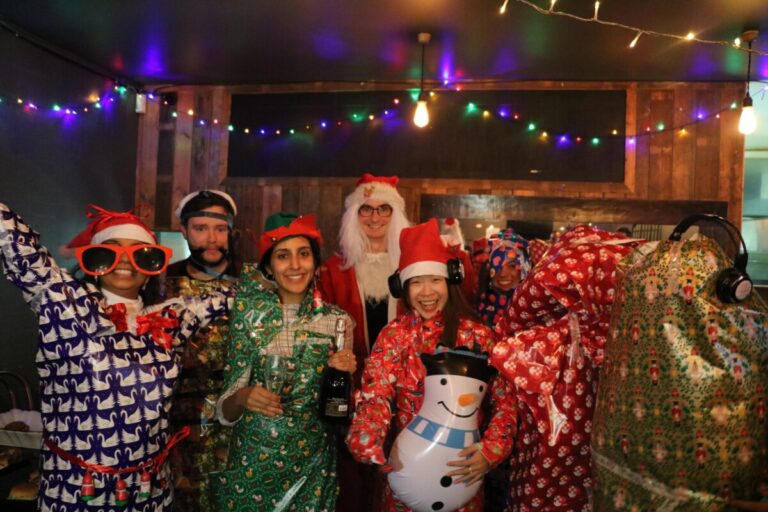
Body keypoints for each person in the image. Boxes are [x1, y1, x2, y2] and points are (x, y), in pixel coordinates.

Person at [0, 202, 233, 511]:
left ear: (152, 269)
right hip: (74, 493)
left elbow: (228, 298)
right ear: (92, 262)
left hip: (152, 493)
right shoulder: (67, 306)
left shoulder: (168, 319)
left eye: (142, 254)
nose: (125, 261)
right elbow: (17, 246)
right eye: (108, 253)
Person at [346, 219, 517, 512]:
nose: (426, 292)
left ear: (450, 280)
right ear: (402, 287)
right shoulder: (394, 335)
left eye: (435, 280)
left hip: (462, 475)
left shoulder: (478, 335)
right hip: (404, 473)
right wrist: (368, 436)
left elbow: (505, 402)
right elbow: (376, 398)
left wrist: (491, 452)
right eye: (416, 282)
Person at [213, 212, 357, 512]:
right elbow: (223, 413)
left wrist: (343, 380)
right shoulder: (249, 318)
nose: (294, 265)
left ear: (315, 263)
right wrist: (243, 396)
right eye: (283, 256)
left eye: (303, 254)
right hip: (252, 469)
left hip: (313, 467)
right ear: (268, 265)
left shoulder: (338, 322)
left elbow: (341, 413)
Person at [316, 173, 411, 512]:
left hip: (403, 389)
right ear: (354, 217)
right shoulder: (334, 270)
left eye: (383, 209)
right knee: (353, 475)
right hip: (351, 388)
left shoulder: (410, 269)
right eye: (366, 210)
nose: (375, 217)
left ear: (394, 214)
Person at [164, 189, 240, 511]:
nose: (212, 238)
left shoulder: (250, 282)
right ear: (184, 230)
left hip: (236, 419)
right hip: (175, 423)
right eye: (200, 228)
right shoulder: (161, 281)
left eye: (220, 229)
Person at [476, 229, 530, 328]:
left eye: (512, 265)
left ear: (525, 269)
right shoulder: (479, 304)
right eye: (497, 266)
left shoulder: (533, 308)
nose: (503, 274)